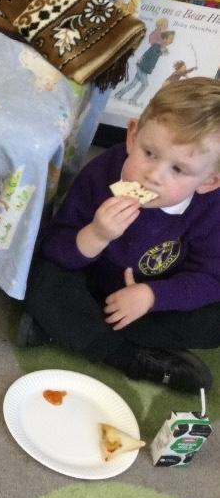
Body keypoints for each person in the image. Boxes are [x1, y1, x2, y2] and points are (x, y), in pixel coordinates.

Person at [19, 77, 220, 393]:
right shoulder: (101, 173)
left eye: (178, 170)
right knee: (40, 278)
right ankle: (130, 357)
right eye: (149, 153)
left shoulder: (211, 209)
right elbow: (56, 246)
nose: (152, 176)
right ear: (132, 135)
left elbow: (211, 278)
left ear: (209, 182)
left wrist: (152, 296)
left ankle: (68, 331)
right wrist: (96, 235)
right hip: (91, 281)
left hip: (154, 298)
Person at [114, 30, 175, 106]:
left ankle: (118, 95)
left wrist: (163, 50)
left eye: (172, 39)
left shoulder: (161, 48)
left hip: (144, 68)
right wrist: (162, 50)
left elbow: (163, 53)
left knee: (133, 84)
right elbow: (155, 53)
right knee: (145, 85)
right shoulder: (156, 46)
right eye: (171, 38)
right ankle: (132, 100)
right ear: (165, 39)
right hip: (142, 67)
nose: (172, 41)